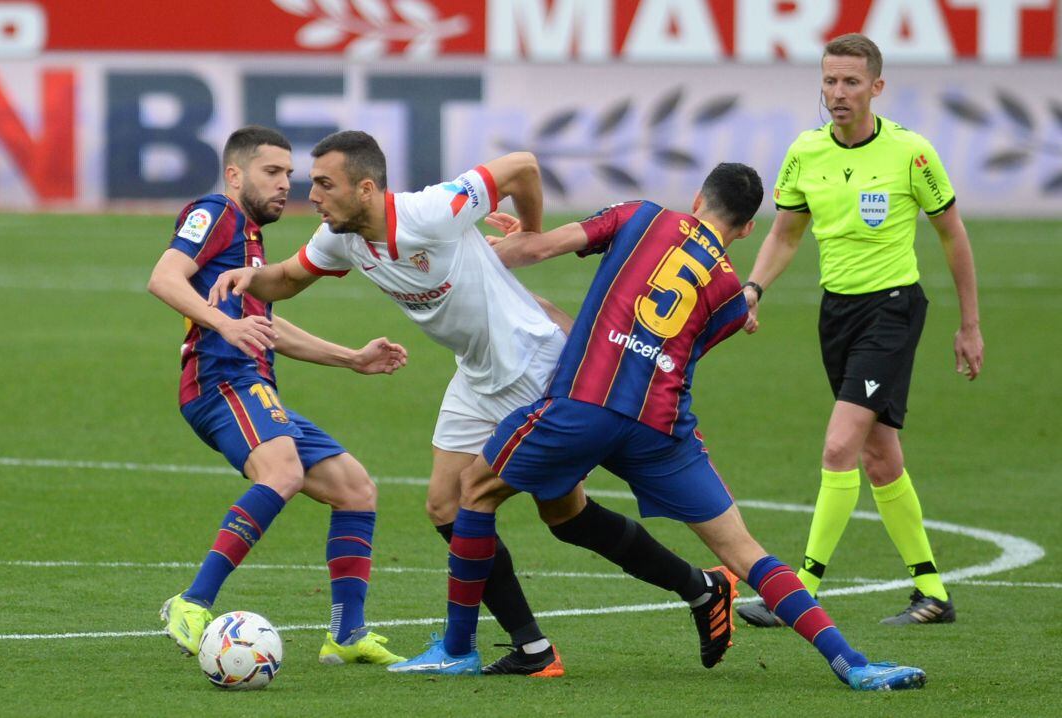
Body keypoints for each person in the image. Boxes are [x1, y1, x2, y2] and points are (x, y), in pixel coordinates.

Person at [386, 162, 927, 691]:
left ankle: (458, 650)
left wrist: (510, 242)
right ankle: (853, 663)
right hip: (661, 428)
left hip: (586, 407)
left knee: (473, 491)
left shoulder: (641, 215)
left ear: (697, 199)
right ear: (744, 229)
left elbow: (537, 249)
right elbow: (676, 352)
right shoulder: (733, 299)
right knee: (744, 551)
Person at [211, 131, 735, 676]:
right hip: (476, 373)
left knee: (559, 514)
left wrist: (532, 233)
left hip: (532, 365)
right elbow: (289, 278)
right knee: (448, 506)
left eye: (324, 184)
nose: (312, 194)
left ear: (365, 189)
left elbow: (523, 166)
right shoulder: (339, 237)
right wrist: (252, 279)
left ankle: (697, 588)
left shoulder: (432, 211)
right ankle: (534, 645)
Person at [735, 33, 984, 629]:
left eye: (850, 82)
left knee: (839, 447)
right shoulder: (806, 152)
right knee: (879, 458)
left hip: (893, 311)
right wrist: (753, 288)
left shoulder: (911, 152)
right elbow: (785, 233)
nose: (837, 93)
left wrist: (969, 324)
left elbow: (953, 233)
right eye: (829, 81)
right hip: (837, 314)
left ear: (876, 87)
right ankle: (932, 592)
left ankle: (799, 590)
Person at [148, 125, 409, 667]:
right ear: (235, 174)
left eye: (288, 175)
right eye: (272, 173)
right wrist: (223, 323)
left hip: (254, 389)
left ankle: (347, 633)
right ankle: (191, 603)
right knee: (284, 473)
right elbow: (165, 278)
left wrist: (352, 358)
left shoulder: (250, 236)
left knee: (356, 488)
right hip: (222, 383)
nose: (284, 185)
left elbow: (267, 327)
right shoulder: (216, 213)